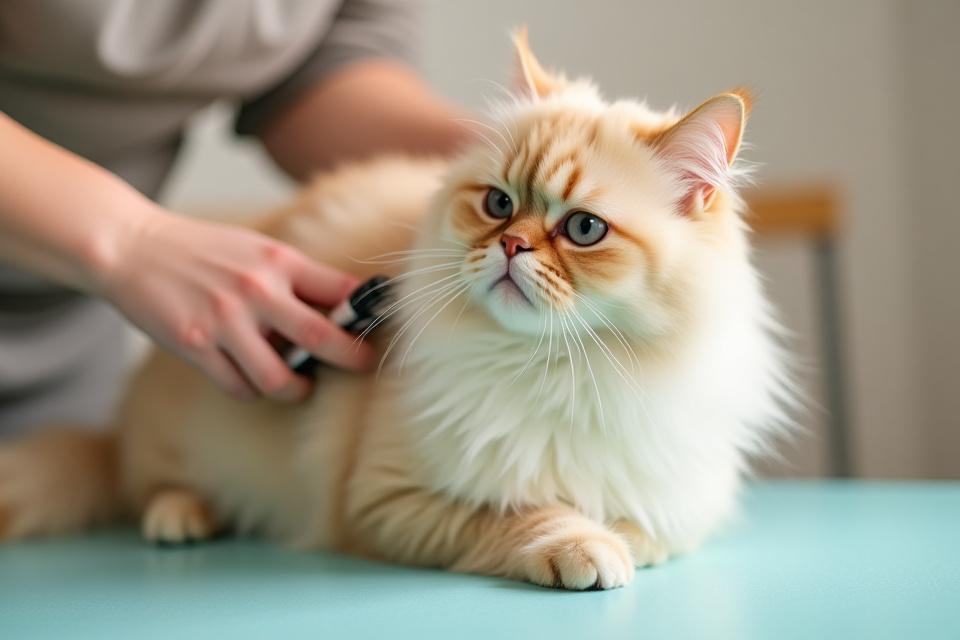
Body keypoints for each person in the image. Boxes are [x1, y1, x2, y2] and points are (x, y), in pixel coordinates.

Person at [0, 0, 470, 435]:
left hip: (67, 339)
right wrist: (131, 239)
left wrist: (502, 154)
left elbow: (321, 72)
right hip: (90, 261)